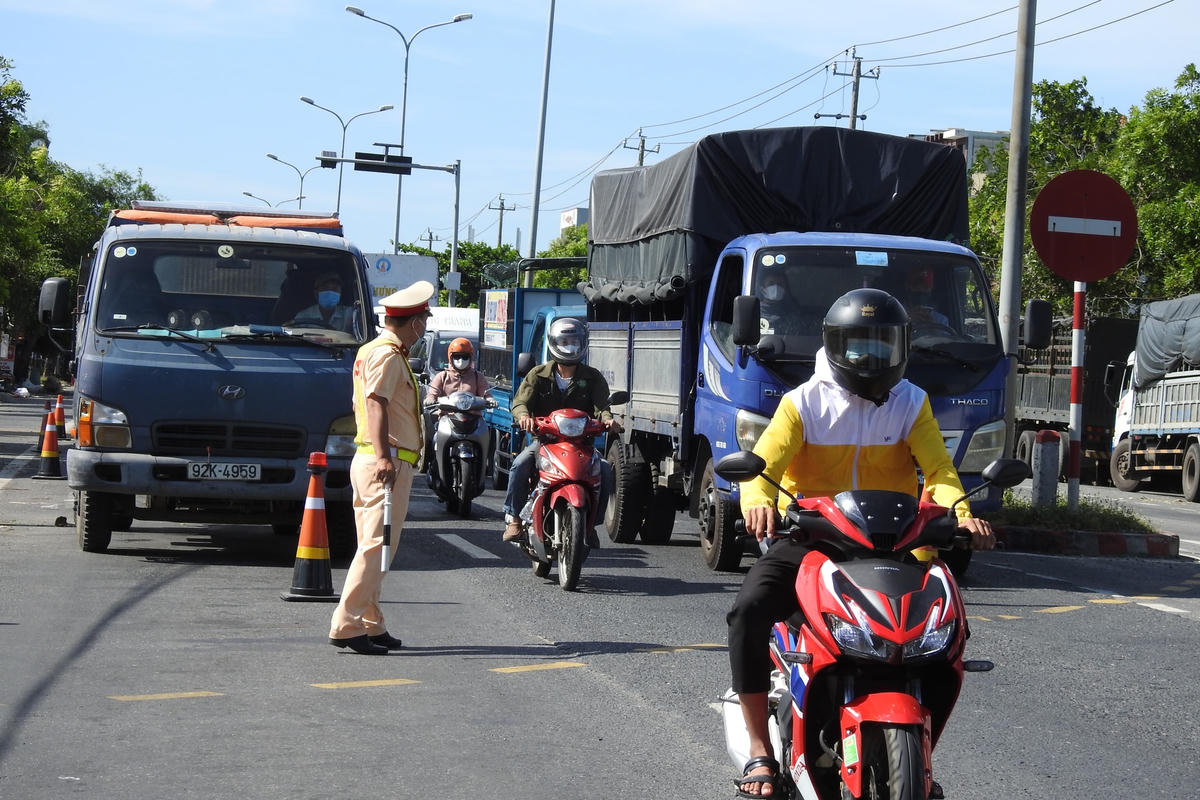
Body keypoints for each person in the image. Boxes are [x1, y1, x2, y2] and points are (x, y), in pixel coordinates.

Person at [725, 288, 995, 798]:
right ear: (833, 345)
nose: (869, 357)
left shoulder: (911, 402)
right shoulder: (802, 402)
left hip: (895, 545)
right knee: (749, 610)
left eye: (882, 345)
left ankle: (921, 748)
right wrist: (757, 504)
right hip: (815, 540)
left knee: (946, 629)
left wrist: (960, 514)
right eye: (857, 345)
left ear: (902, 348)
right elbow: (761, 471)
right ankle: (761, 749)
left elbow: (938, 471)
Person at [328, 280, 434, 656]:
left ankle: (371, 621)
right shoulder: (389, 355)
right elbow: (375, 404)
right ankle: (347, 623)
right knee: (376, 548)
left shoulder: (373, 350)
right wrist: (386, 456)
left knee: (376, 547)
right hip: (384, 463)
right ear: (415, 323)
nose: (423, 329)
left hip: (371, 460)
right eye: (423, 320)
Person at [501, 317, 620, 546]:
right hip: (545, 442)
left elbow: (603, 407)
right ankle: (514, 518)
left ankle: (591, 525)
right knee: (520, 463)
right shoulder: (538, 374)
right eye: (565, 341)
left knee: (605, 470)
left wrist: (608, 420)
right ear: (554, 343)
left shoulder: (592, 377)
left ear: (583, 343)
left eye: (574, 341)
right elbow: (520, 403)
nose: (570, 346)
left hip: (582, 444)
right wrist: (524, 417)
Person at [425, 337, 492, 407]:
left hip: (473, 415)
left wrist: (489, 399)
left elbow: (485, 393)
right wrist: (431, 398)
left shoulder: (477, 376)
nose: (461, 360)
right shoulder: (442, 376)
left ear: (470, 357)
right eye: (457, 356)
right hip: (448, 414)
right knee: (443, 418)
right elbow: (433, 393)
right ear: (451, 357)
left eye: (465, 357)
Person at [904, 264, 952, 331]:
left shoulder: (941, 320)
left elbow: (945, 341)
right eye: (916, 286)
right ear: (907, 287)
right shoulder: (897, 314)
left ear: (931, 290)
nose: (920, 290)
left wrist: (932, 326)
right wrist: (906, 320)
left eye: (925, 287)